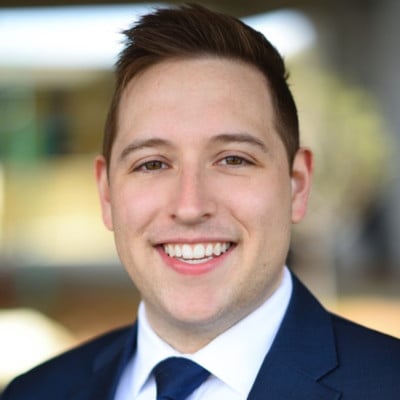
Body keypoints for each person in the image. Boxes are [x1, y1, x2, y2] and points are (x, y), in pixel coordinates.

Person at [2, 4, 400, 400]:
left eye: (233, 159)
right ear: (107, 194)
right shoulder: (32, 393)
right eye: (152, 163)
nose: (190, 206)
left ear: (297, 185)